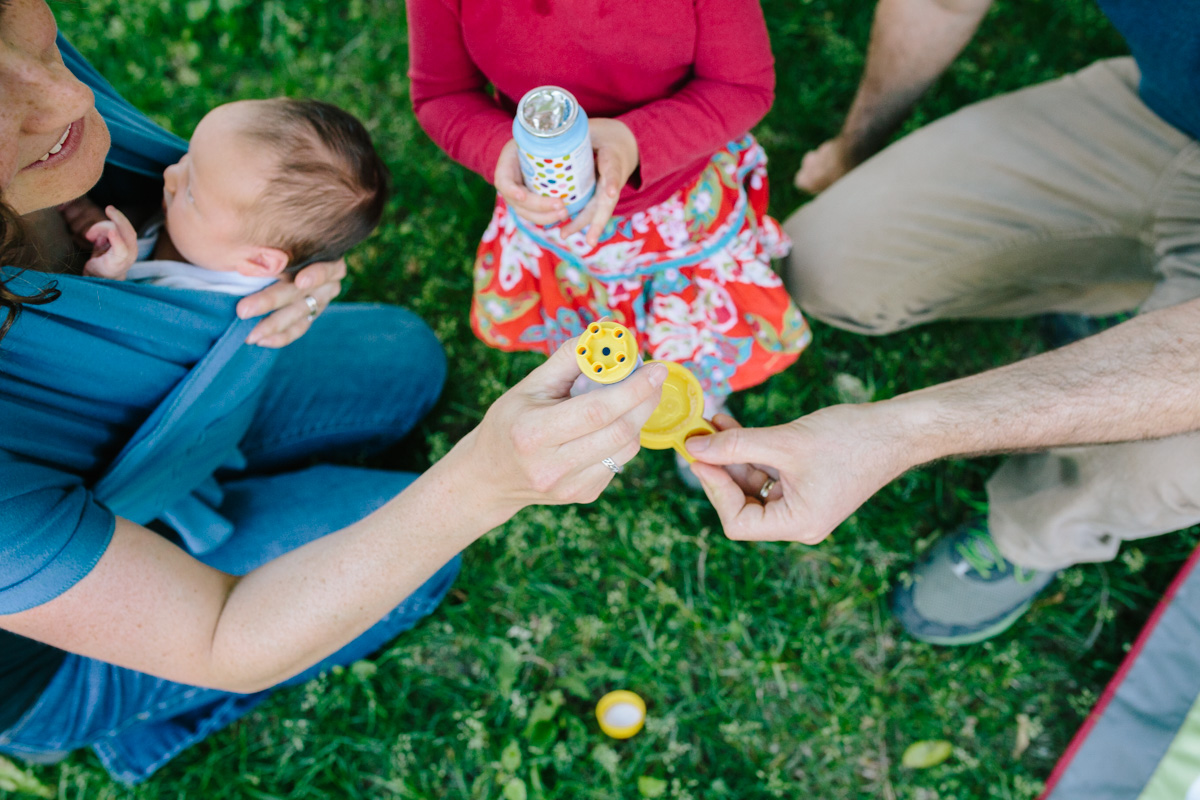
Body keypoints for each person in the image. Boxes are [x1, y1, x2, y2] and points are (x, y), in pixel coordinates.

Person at [0, 0, 665, 783]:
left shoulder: (42, 107)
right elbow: (222, 636)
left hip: (162, 419)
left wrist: (292, 276)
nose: (70, 95)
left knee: (408, 357)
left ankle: (219, 479)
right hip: (61, 643)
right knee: (418, 562)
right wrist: (484, 483)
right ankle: (127, 729)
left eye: (15, 25)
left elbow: (230, 209)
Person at [686, 0, 1200, 645]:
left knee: (1144, 461)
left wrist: (899, 433)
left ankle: (1033, 529)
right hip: (1168, 115)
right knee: (828, 264)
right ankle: (1113, 294)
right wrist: (855, 147)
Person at [406, 0, 810, 419]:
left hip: (680, 201)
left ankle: (695, 402)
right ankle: (596, 378)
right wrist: (498, 150)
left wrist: (635, 142)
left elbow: (741, 86)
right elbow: (442, 93)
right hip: (554, 210)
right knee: (586, 338)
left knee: (692, 337)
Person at [59, 97, 388, 297]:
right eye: (188, 157)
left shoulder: (193, 303)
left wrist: (109, 278)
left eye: (190, 192)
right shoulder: (215, 235)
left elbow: (119, 335)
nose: (170, 175)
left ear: (258, 262)